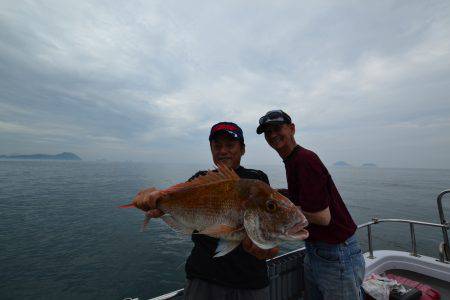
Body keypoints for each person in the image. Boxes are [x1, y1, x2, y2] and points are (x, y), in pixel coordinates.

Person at [133, 122, 278, 300]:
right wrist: (152, 198)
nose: (223, 151)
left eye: (230, 145)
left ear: (243, 149)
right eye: (217, 146)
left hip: (250, 282)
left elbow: (270, 233)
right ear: (211, 149)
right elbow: (169, 198)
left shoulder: (257, 180)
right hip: (204, 278)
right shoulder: (200, 179)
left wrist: (268, 249)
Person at [256, 110, 365, 300]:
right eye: (268, 132)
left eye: (277, 128)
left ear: (292, 129)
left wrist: (275, 208)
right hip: (317, 251)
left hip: (336, 252)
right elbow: (305, 198)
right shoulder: (292, 160)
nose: (272, 135)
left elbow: (323, 217)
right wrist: (275, 194)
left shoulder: (305, 159)